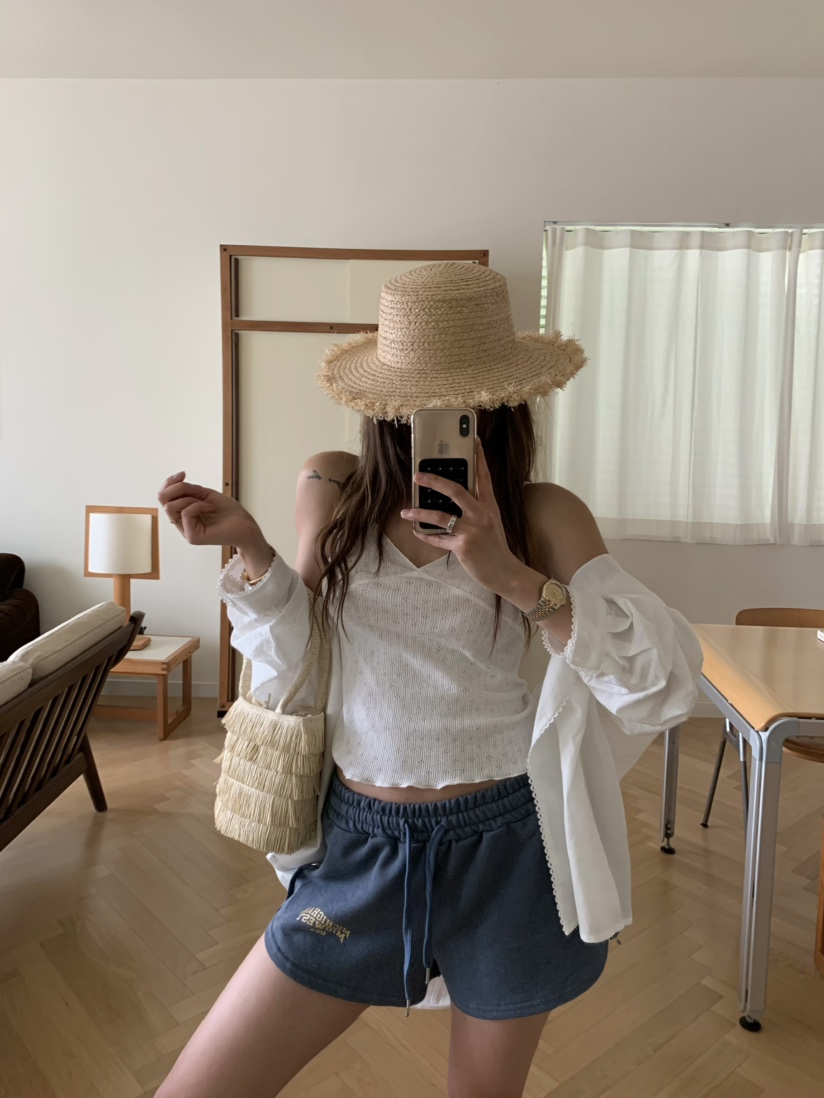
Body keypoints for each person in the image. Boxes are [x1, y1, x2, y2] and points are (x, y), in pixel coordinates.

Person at [155, 262, 703, 1098]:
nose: (434, 420)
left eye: (463, 403)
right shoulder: (333, 486)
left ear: (500, 407)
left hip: (506, 851)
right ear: (381, 406)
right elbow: (296, 656)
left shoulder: (542, 512)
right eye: (414, 402)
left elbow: (662, 683)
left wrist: (511, 574)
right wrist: (253, 551)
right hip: (359, 847)